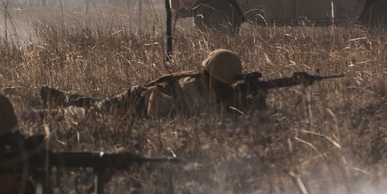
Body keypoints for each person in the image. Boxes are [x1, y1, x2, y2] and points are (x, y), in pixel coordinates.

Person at [40, 49, 266, 118]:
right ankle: (46, 113)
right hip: (135, 103)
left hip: (140, 103)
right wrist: (233, 101)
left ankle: (66, 96)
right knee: (90, 114)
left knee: (95, 105)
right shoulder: (191, 85)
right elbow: (204, 114)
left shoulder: (208, 85)